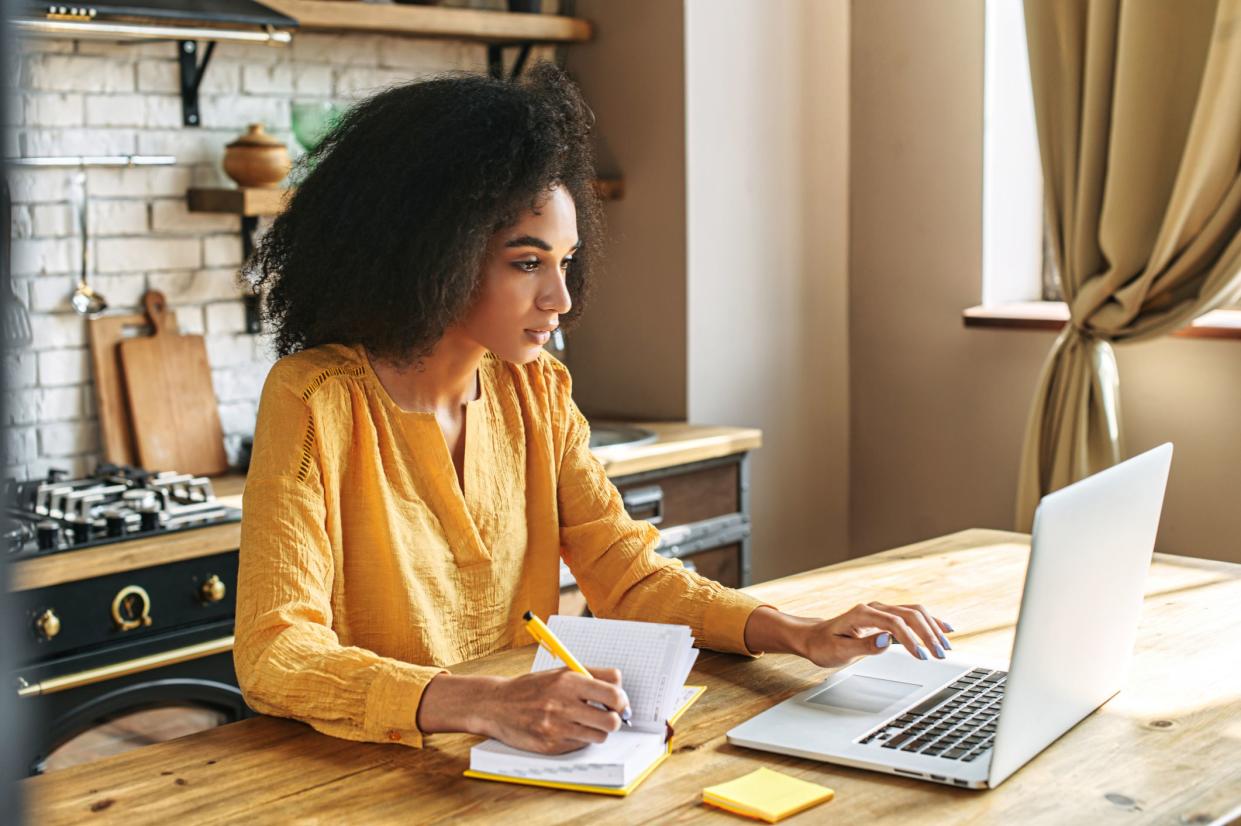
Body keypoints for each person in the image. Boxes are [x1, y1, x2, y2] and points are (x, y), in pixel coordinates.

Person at [234, 64, 953, 756]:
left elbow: (628, 575)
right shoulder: (314, 399)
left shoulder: (535, 389)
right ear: (429, 254)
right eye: (526, 263)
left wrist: (797, 632)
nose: (560, 299)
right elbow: (277, 652)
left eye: (565, 261)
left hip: (529, 760)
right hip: (367, 775)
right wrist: (482, 703)